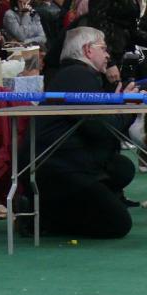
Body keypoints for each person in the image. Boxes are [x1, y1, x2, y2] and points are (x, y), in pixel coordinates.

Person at [26, 26, 137, 238]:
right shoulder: (80, 76)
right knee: (119, 224)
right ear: (87, 50)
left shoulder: (74, 74)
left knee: (121, 167)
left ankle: (54, 209)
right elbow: (101, 130)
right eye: (103, 49)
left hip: (58, 162)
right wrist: (126, 110)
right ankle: (43, 218)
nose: (107, 55)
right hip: (59, 168)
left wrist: (119, 107)